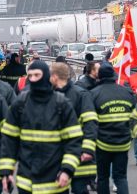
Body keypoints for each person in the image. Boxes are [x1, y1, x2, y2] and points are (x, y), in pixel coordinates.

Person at [0, 61, 83, 194]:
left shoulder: (62, 104)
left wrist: (67, 170)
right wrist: (6, 171)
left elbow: (73, 141)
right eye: (30, 75)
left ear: (46, 76)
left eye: (36, 75)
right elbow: (9, 140)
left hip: (55, 182)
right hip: (26, 183)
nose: (32, 79)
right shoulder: (20, 104)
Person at [50, 62, 98, 194]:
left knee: (79, 190)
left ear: (54, 77)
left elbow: (90, 123)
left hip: (79, 155)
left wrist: (87, 150)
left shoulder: (81, 94)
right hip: (58, 155)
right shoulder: (49, 95)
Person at [90, 62, 136, 194]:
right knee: (121, 177)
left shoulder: (94, 94)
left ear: (99, 76)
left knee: (103, 178)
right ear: (114, 76)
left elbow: (90, 121)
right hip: (123, 143)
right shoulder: (127, 93)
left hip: (102, 144)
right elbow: (134, 117)